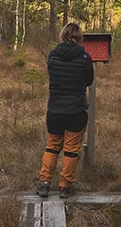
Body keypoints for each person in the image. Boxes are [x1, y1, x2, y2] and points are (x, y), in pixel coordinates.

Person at [36, 22, 94, 198]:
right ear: (79, 37)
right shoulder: (85, 57)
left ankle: (44, 183)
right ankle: (65, 186)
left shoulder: (53, 55)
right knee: (71, 149)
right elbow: (89, 81)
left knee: (52, 147)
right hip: (76, 110)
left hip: (55, 109)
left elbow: (52, 74)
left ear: (62, 35)